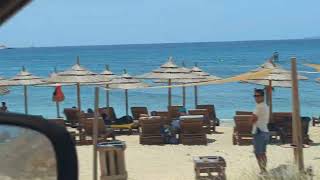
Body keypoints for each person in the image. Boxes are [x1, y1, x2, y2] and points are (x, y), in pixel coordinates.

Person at [251, 89, 270, 174]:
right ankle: (264, 169)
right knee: (263, 153)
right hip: (265, 131)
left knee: (258, 153)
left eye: (257, 96)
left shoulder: (259, 106)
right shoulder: (265, 106)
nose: (256, 98)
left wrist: (251, 121)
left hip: (259, 132)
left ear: (262, 96)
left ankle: (262, 170)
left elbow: (253, 118)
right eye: (254, 96)